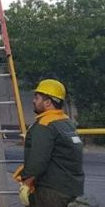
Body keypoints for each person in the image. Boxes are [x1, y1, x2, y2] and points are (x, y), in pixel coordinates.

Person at [20, 79, 84, 207]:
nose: (33, 101)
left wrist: (26, 184)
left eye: (37, 98)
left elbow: (38, 159)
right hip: (70, 188)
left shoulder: (45, 124)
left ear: (48, 102)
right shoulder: (66, 123)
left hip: (51, 190)